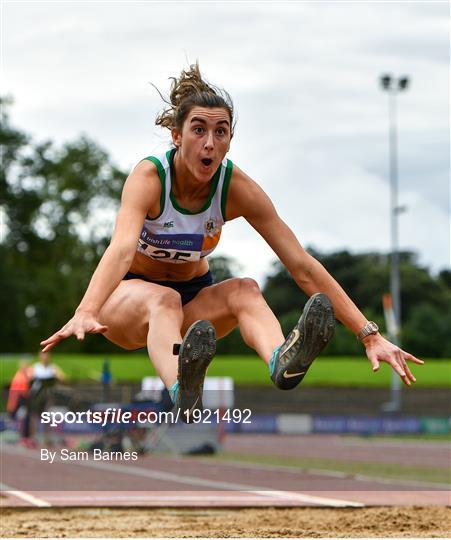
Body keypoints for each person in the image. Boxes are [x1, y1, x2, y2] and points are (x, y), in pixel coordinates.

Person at [41, 63, 423, 421]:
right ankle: (183, 388)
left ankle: (281, 361)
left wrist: (369, 335)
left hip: (191, 303)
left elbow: (301, 265)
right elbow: (122, 249)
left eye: (220, 132)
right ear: (176, 136)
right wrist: (86, 310)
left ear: (229, 141)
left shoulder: (235, 188)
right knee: (164, 299)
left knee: (245, 289)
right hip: (126, 305)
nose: (210, 143)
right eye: (198, 130)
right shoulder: (150, 178)